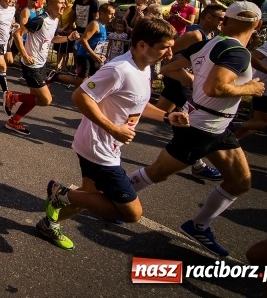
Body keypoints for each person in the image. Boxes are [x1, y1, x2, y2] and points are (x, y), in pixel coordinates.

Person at [129, 1, 265, 257]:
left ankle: (199, 225)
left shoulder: (210, 43)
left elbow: (170, 67)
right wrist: (251, 88)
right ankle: (114, 196)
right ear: (258, 24)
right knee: (157, 173)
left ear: (226, 21)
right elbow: (216, 87)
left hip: (216, 125)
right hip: (202, 127)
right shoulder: (237, 52)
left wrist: (194, 81)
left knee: (240, 181)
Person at [38, 18, 184, 251]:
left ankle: (49, 224)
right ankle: (60, 193)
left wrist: (166, 117)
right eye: (164, 47)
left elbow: (137, 103)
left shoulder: (144, 67)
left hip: (106, 145)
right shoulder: (119, 69)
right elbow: (80, 96)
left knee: (90, 195)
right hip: (98, 148)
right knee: (131, 213)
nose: (169, 53)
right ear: (143, 45)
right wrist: (113, 128)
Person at [156, 3, 227, 180]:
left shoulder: (212, 36)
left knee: (159, 112)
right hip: (180, 81)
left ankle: (114, 125)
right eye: (220, 18)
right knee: (191, 121)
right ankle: (197, 165)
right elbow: (169, 52)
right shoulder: (195, 35)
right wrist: (186, 75)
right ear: (208, 17)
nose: (223, 21)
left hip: (185, 82)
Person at [2, 0, 80, 133]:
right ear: (49, 5)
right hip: (31, 65)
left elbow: (52, 39)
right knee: (46, 100)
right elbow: (17, 34)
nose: (64, 5)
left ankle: (13, 121)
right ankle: (12, 97)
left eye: (64, 2)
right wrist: (25, 55)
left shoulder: (54, 20)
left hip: (41, 64)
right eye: (61, 2)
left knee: (35, 98)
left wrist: (68, 38)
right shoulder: (40, 20)